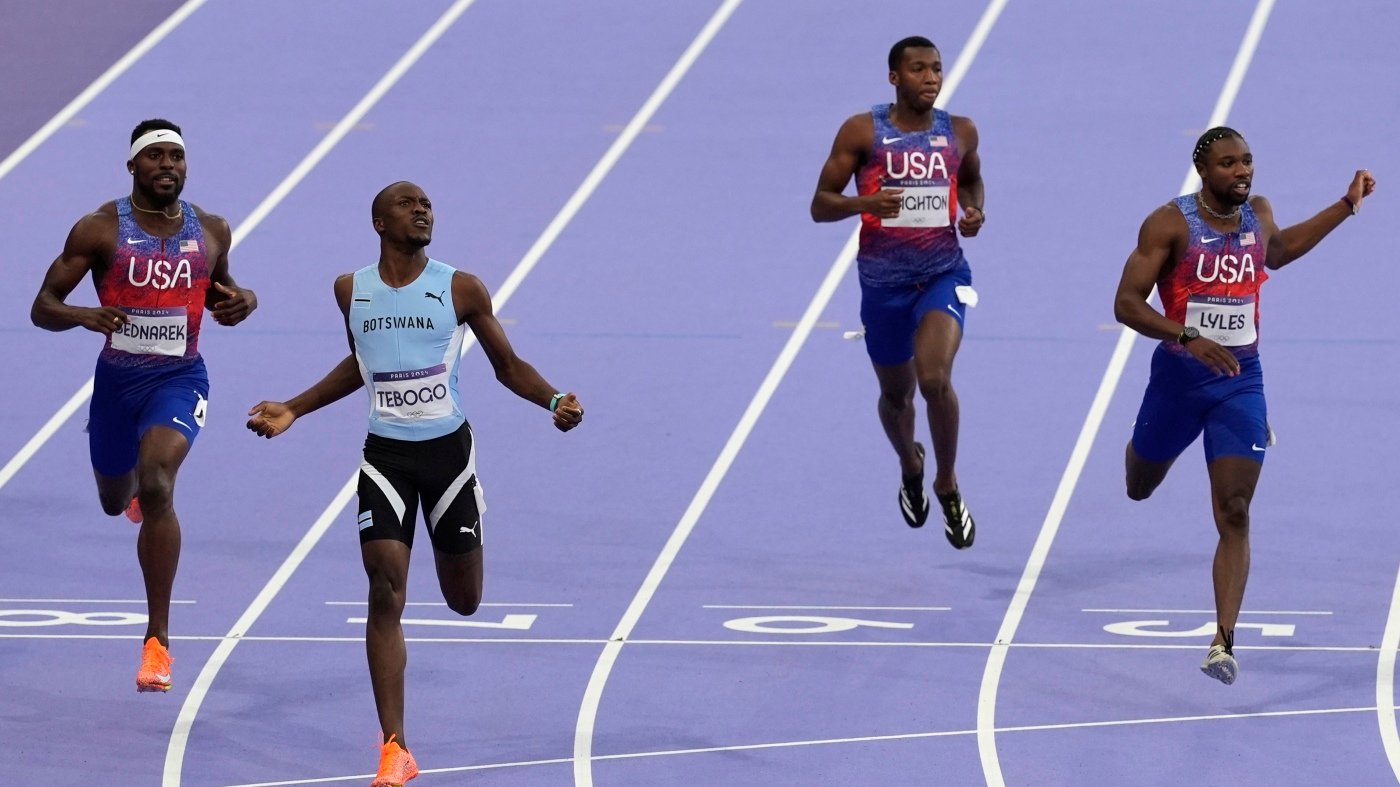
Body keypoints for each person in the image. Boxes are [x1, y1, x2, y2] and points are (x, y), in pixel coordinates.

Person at [245, 181, 583, 786]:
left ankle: (471, 520)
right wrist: (295, 407)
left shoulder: (460, 287)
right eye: (408, 204)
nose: (423, 210)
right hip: (386, 458)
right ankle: (395, 747)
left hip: (447, 457)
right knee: (384, 588)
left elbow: (507, 366)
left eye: (427, 203)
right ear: (379, 222)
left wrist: (553, 399)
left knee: (464, 601)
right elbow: (362, 363)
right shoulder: (352, 290)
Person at [1114, 127, 1376, 685]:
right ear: (1203, 170)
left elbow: (1278, 252)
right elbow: (1126, 303)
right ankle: (1143, 445)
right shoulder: (1169, 223)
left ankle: (1222, 643)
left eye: (1248, 161)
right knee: (1139, 484)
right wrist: (1186, 337)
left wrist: (1346, 205)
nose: (1242, 171)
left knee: (1234, 510)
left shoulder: (1258, 214)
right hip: (1179, 382)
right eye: (1229, 163)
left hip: (1240, 379)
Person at [30, 118, 258, 692]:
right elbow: (43, 306)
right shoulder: (100, 229)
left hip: (180, 378)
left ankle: (157, 641)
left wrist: (244, 301)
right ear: (131, 166)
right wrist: (84, 314)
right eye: (155, 158)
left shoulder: (211, 230)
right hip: (116, 384)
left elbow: (221, 291)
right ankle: (129, 493)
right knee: (117, 499)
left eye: (176, 158)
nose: (167, 167)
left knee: (157, 482)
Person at [810, 35, 984, 548]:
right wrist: (865, 203)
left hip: (942, 275)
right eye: (918, 69)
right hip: (882, 284)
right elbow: (820, 204)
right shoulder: (863, 130)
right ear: (894, 77)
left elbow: (972, 181)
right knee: (895, 395)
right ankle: (911, 463)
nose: (930, 78)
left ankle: (947, 483)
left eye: (936, 69)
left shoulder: (961, 131)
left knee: (934, 380)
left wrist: (975, 212)